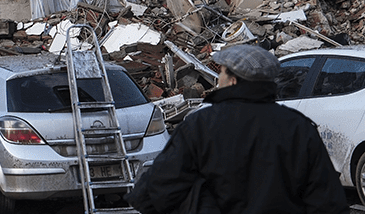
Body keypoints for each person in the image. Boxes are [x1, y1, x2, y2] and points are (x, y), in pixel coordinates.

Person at [128, 43, 348, 214]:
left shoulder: (201, 126)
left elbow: (155, 191)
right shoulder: (299, 128)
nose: (218, 80)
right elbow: (328, 202)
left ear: (233, 81)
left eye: (222, 72)